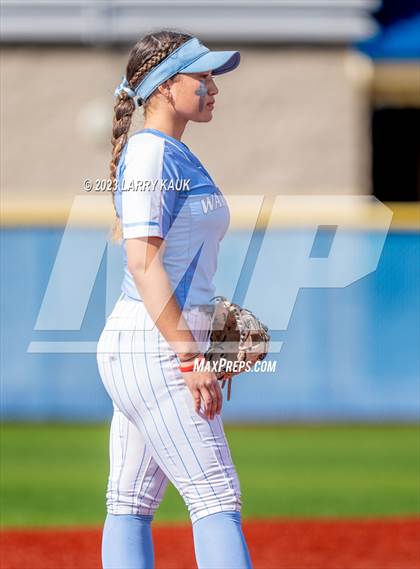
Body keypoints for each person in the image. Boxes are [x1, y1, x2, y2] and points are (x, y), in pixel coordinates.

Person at [96, 30, 253, 569]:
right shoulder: (150, 154)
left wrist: (206, 325)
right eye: (202, 76)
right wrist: (189, 353)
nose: (213, 88)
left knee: (130, 500)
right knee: (215, 496)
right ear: (165, 86)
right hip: (156, 345)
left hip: (153, 339)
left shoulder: (171, 152)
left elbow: (178, 260)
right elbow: (144, 264)